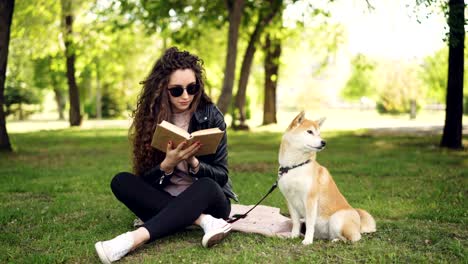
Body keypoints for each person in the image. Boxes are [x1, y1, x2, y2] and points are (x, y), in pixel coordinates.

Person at [95, 47, 237, 264]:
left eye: (192, 87)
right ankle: (202, 221)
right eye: (176, 90)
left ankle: (133, 239)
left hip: (209, 199)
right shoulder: (151, 118)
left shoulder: (211, 115)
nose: (186, 96)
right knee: (120, 181)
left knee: (207, 184)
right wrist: (167, 166)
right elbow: (143, 178)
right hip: (166, 197)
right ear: (163, 89)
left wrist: (194, 163)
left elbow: (222, 176)